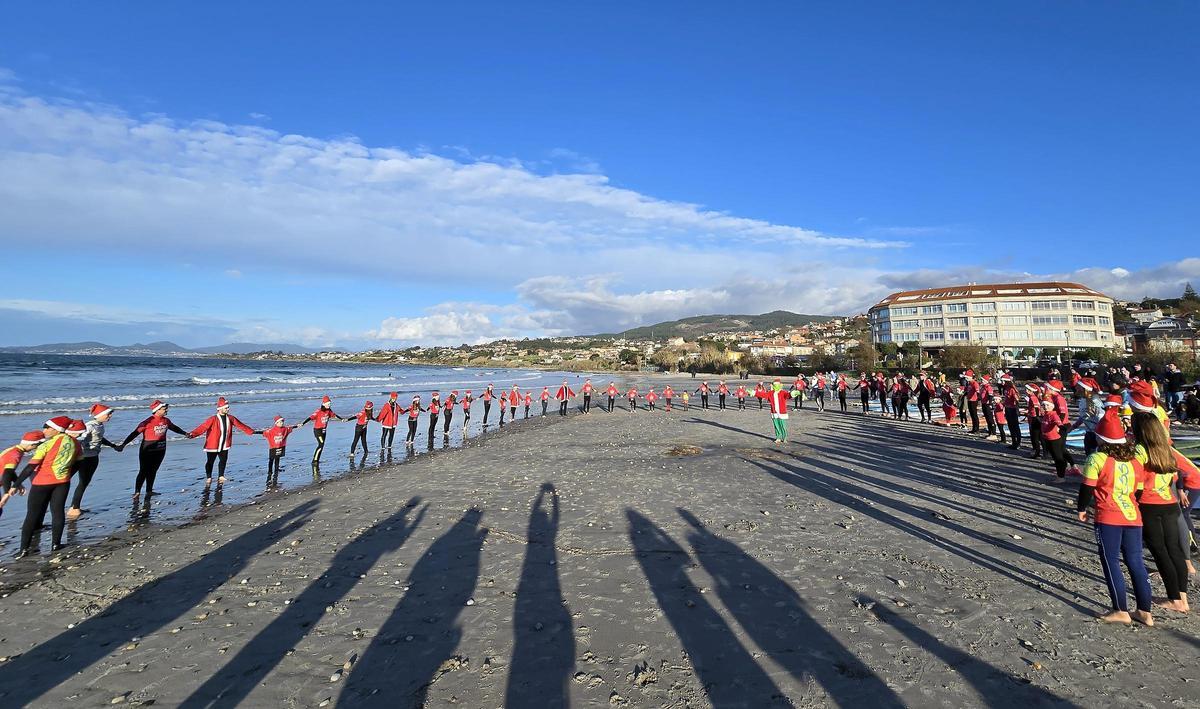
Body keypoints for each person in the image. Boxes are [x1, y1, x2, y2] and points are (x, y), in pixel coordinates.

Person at [1076, 409, 1153, 625]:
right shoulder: (1135, 461)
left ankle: (1120, 610)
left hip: (1108, 516)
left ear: (1101, 438)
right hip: (1133, 516)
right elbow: (1139, 492)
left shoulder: (1097, 458)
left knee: (1111, 561)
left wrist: (1081, 509)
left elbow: (1087, 488)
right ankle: (1145, 611)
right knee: (1135, 561)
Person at [1131, 411, 1198, 612]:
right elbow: (1180, 475)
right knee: (1174, 550)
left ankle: (1174, 599)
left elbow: (1136, 479)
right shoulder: (1167, 449)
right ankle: (1183, 599)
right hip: (1169, 503)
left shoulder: (1140, 450)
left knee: (1160, 552)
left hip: (1149, 504)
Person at [13, 418, 84, 556]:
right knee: (58, 512)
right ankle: (56, 544)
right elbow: (80, 462)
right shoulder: (75, 443)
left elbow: (30, 467)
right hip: (62, 482)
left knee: (31, 515)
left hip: (42, 483)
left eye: (46, 428)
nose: (44, 431)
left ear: (55, 429)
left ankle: (23, 549)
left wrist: (16, 484)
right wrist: (67, 474)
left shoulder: (47, 444)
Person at [121, 400, 188, 499]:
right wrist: (123, 445)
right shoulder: (147, 422)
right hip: (147, 450)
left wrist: (185, 433)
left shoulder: (166, 421)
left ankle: (149, 491)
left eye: (166, 409)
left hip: (161, 449)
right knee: (143, 471)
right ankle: (137, 492)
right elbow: (134, 433)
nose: (166, 410)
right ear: (157, 410)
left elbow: (175, 428)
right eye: (164, 409)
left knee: (153, 470)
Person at [67, 403, 119, 520]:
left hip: (94, 457)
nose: (110, 416)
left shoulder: (100, 426)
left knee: (85, 482)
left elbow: (99, 439)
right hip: (84, 458)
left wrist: (113, 445)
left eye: (110, 414)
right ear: (99, 415)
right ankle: (74, 508)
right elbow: (79, 439)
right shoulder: (89, 426)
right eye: (108, 414)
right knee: (80, 482)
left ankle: (75, 506)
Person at [188, 397, 256, 484]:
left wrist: (250, 431)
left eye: (228, 407)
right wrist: (192, 434)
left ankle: (221, 476)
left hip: (224, 444)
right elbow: (202, 428)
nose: (228, 409)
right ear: (220, 408)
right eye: (226, 408)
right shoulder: (212, 419)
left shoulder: (231, 418)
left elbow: (241, 425)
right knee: (210, 461)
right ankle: (209, 477)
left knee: (223, 460)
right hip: (213, 444)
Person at [1, 431, 45, 510]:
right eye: (37, 446)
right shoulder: (15, 454)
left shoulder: (14, 450)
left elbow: (10, 470)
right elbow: (7, 473)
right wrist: (6, 493)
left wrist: (18, 484)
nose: (35, 448)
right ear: (32, 444)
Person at [301, 396, 346, 465]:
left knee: (322, 446)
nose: (329, 405)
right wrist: (303, 423)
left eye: (330, 404)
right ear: (323, 404)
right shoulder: (319, 411)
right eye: (328, 404)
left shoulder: (329, 411)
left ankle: (317, 460)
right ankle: (314, 460)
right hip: (317, 430)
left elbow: (334, 415)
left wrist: (341, 419)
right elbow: (310, 418)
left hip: (324, 431)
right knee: (321, 444)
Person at [755, 378, 801, 443]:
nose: (776, 386)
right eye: (774, 385)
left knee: (782, 425)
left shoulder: (783, 392)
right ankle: (778, 437)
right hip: (774, 412)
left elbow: (787, 395)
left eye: (777, 385)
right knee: (776, 425)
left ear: (780, 385)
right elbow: (763, 394)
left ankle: (784, 437)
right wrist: (754, 393)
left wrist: (792, 394)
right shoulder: (770, 393)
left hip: (782, 412)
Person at [258, 415, 301, 483]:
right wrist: (253, 432)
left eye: (282, 422)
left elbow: (290, 427)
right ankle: (270, 471)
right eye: (280, 422)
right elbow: (263, 432)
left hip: (280, 447)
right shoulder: (272, 431)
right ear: (276, 423)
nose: (282, 423)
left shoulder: (285, 429)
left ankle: (276, 470)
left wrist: (297, 426)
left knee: (277, 459)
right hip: (273, 448)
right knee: (271, 460)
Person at [1002, 379, 1022, 450]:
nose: (1002, 382)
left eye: (1003, 381)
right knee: (1010, 426)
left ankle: (1018, 443)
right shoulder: (1006, 389)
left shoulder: (1012, 389)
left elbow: (1017, 400)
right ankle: (1014, 442)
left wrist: (1017, 409)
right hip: (1007, 408)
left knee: (1015, 426)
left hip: (1012, 409)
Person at [1025, 384, 1044, 459]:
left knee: (1035, 436)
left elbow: (1036, 407)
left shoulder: (1033, 397)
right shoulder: (1031, 397)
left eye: (1028, 389)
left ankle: (1037, 451)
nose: (1026, 391)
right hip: (1032, 417)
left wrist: (1037, 417)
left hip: (1034, 418)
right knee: (1036, 436)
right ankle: (1037, 450)